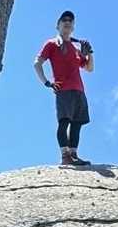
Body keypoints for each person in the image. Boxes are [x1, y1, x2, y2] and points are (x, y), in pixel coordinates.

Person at [33, 10, 94, 167]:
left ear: (73, 27)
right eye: (64, 20)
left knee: (77, 124)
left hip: (79, 90)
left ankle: (73, 155)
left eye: (70, 21)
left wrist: (89, 53)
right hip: (64, 90)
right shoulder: (52, 44)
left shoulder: (75, 48)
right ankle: (65, 156)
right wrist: (47, 82)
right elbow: (37, 63)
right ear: (58, 25)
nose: (67, 22)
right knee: (64, 121)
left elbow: (89, 68)